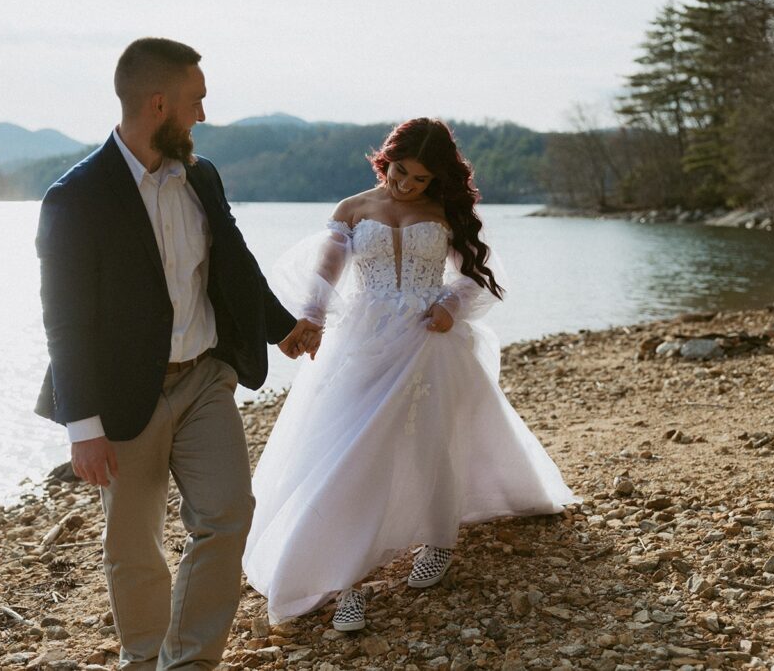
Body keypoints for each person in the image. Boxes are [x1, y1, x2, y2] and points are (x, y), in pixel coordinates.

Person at [34, 37, 318, 670]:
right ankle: (142, 662)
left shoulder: (202, 175)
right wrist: (83, 428)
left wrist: (282, 328)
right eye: (196, 102)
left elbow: (234, 262)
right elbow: (65, 321)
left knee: (227, 516)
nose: (203, 116)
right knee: (134, 546)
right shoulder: (76, 198)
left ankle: (188, 663)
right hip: (120, 398)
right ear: (158, 104)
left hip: (204, 380)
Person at [243, 118, 579, 631]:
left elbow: (479, 274)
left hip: (430, 340)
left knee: (431, 443)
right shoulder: (353, 209)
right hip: (363, 342)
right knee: (352, 452)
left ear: (435, 179)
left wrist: (450, 304)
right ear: (386, 159)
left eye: (419, 179)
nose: (405, 185)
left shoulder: (444, 211)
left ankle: (439, 540)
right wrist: (310, 318)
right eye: (400, 172)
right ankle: (346, 579)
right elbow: (327, 268)